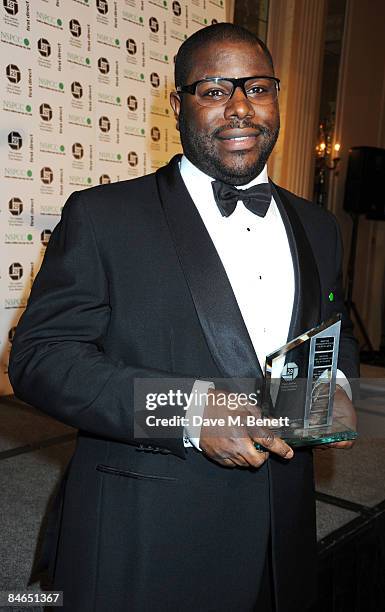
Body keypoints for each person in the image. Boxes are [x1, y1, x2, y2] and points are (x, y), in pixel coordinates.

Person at [9, 23, 359, 612]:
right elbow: (41, 359)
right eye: (215, 90)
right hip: (145, 537)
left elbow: (333, 330)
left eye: (258, 87)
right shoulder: (103, 217)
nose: (242, 108)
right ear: (178, 105)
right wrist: (190, 408)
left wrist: (333, 387)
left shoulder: (319, 226)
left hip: (285, 536)